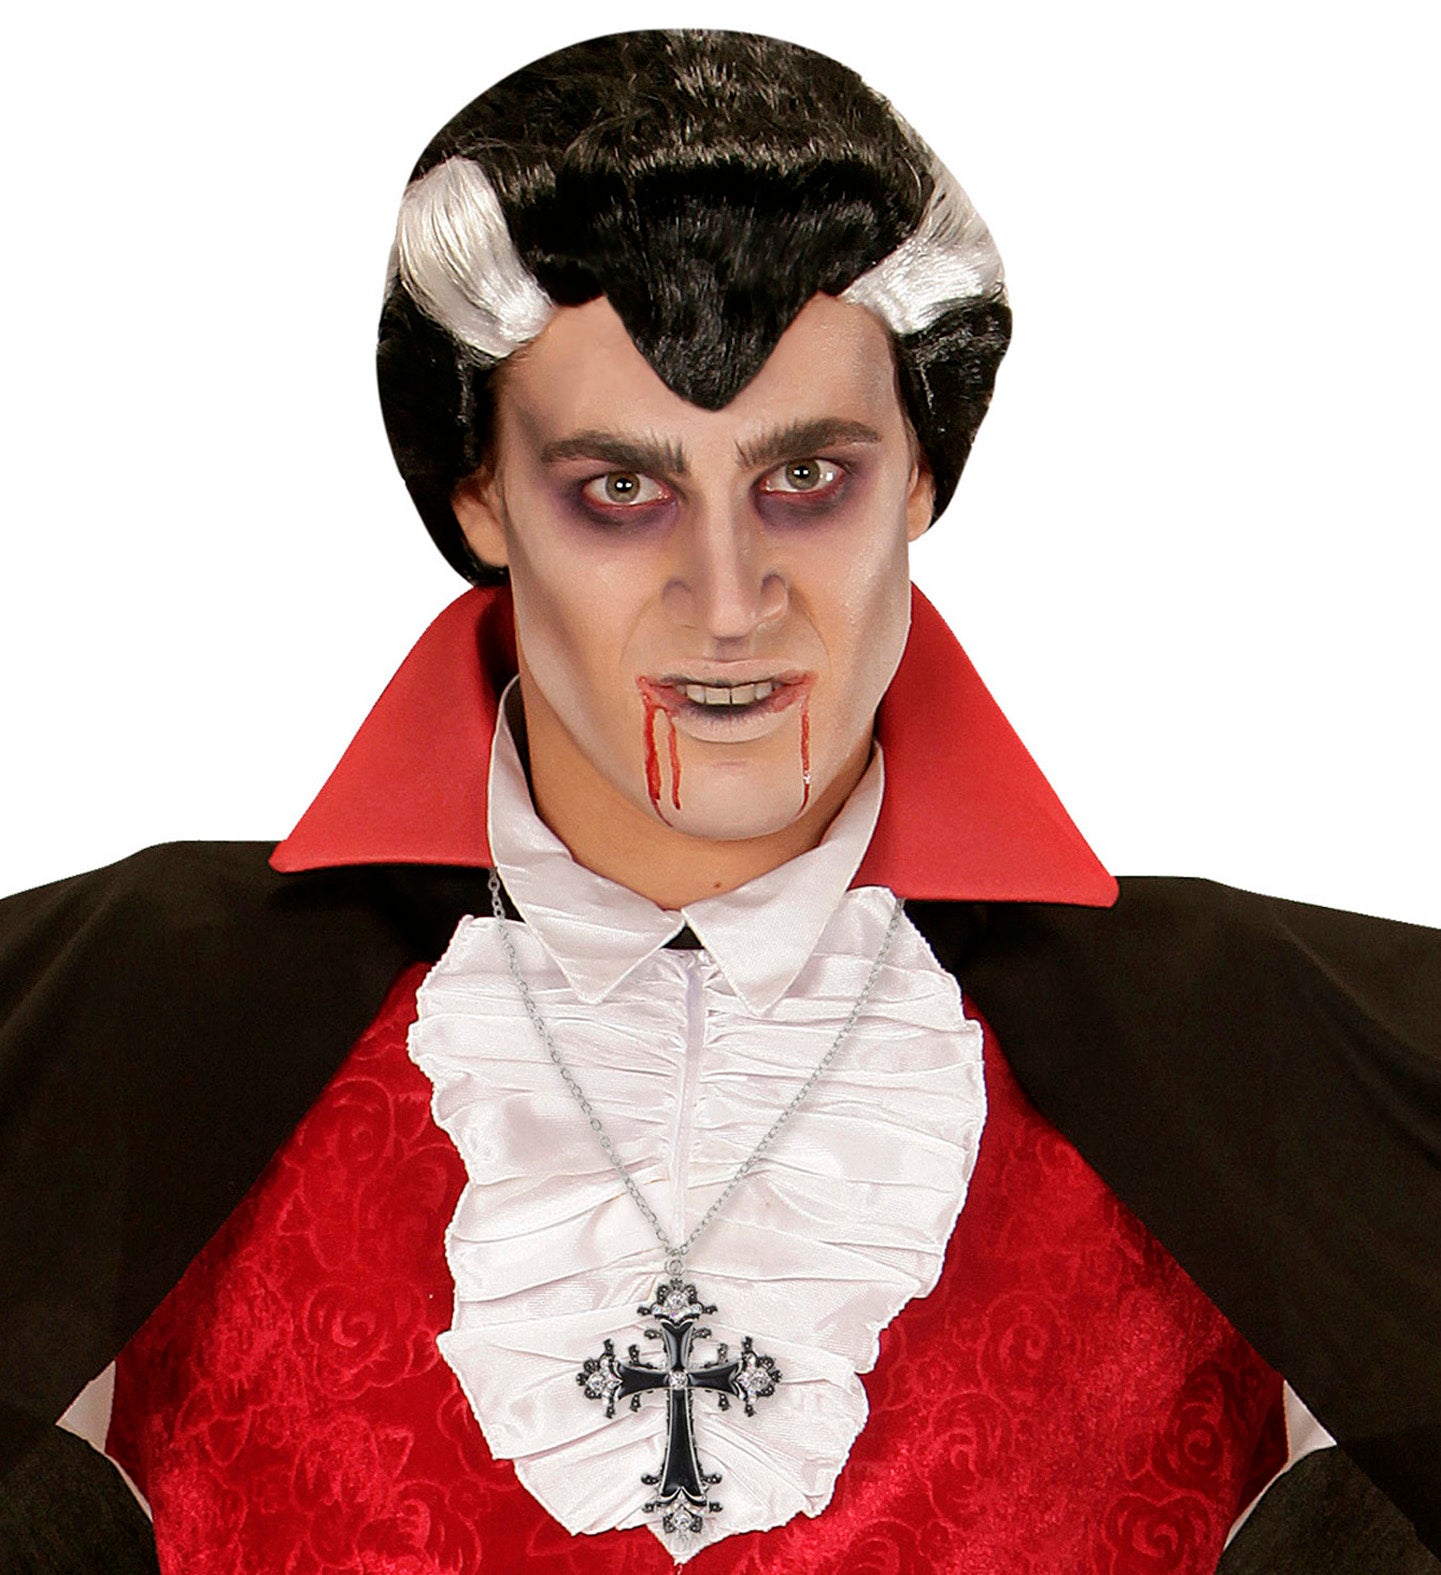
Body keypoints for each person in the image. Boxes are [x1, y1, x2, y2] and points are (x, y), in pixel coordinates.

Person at [1, 28, 1437, 1574]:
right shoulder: (88, 1024)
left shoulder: (1323, 1059)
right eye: (620, 489)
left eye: (805, 479)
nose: (731, 599)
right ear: (479, 492)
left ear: (921, 476)